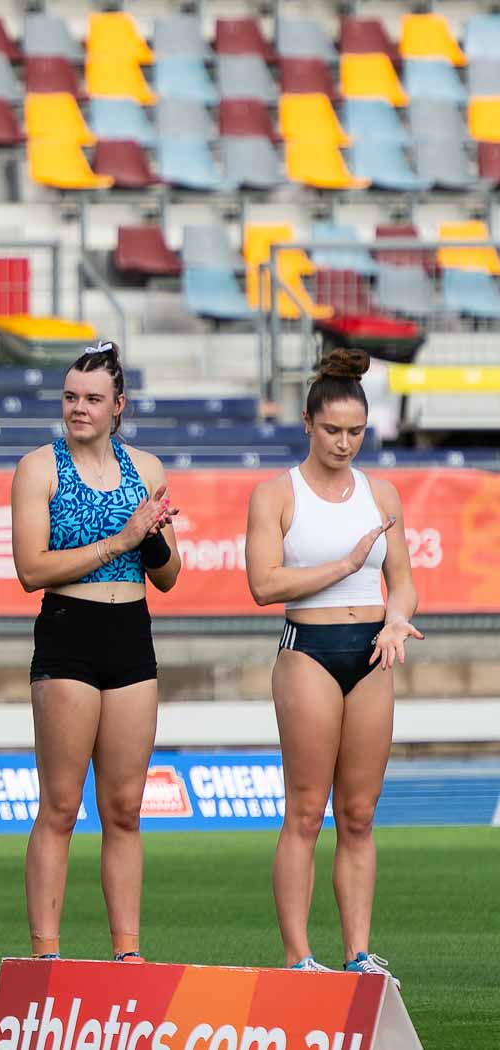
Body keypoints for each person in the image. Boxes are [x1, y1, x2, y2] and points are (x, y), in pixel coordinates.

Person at [245, 348, 420, 982]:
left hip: (373, 652)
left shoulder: (383, 493)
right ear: (307, 423)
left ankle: (358, 953)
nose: (344, 442)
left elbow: (402, 581)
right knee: (305, 810)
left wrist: (397, 615)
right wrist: (345, 567)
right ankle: (298, 957)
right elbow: (263, 585)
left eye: (355, 432)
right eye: (332, 430)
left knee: (359, 814)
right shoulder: (276, 494)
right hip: (308, 654)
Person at [10, 340, 181, 964]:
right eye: (70, 397)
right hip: (68, 631)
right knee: (59, 805)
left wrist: (153, 538)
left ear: (118, 406)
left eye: (91, 399)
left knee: (125, 808)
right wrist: (122, 538)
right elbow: (31, 569)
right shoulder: (40, 467)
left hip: (131, 635)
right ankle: (47, 954)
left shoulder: (148, 468)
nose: (78, 408)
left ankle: (128, 953)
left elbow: (167, 575)